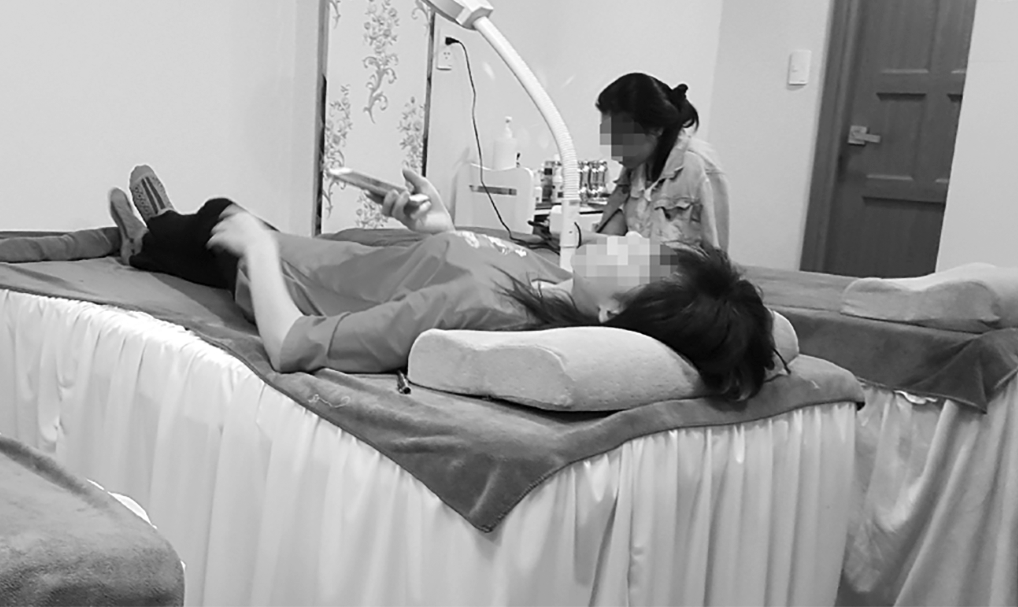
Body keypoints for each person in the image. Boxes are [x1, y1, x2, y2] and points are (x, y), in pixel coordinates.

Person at [108, 165, 774, 401]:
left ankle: (148, 244)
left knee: (221, 219)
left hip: (287, 276)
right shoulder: (554, 286)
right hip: (335, 257)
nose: (624, 238)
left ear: (614, 313)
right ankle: (168, 236)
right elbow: (464, 264)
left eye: (636, 257)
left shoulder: (480, 310)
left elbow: (291, 347)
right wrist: (438, 231)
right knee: (228, 228)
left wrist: (255, 247)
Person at [591, 73, 730, 250]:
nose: (614, 151)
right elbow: (613, 234)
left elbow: (716, 260)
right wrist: (579, 237)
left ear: (656, 128)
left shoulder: (699, 167)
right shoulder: (637, 166)